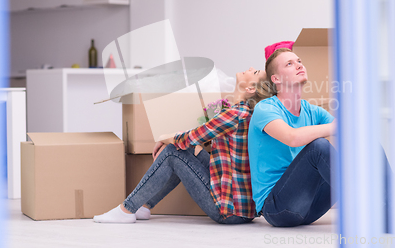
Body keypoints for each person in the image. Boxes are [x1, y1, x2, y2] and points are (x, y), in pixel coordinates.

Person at [93, 67, 269, 225]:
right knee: (182, 148)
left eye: (254, 72)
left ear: (250, 89)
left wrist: (165, 138)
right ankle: (144, 206)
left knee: (172, 153)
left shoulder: (236, 113)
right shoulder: (244, 111)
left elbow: (194, 136)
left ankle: (127, 209)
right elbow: (198, 138)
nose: (251, 68)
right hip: (241, 207)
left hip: (229, 211)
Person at [248, 48, 337, 227]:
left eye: (299, 61)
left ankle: (394, 209)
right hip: (278, 208)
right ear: (276, 79)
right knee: (319, 147)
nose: (298, 65)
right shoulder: (265, 109)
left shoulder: (312, 110)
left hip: (310, 207)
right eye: (289, 64)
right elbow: (292, 137)